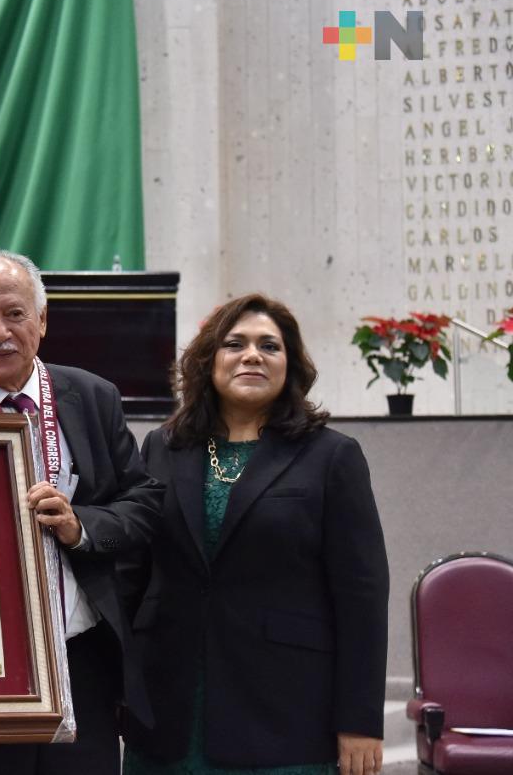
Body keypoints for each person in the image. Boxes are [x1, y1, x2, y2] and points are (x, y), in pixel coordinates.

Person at [0, 249, 164, 775]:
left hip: (81, 661)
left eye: (14, 314)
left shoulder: (93, 396)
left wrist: (81, 526)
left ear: (41, 320)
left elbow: (143, 503)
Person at [121, 294, 390, 775]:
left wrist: (361, 720)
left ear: (290, 366)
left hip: (285, 716)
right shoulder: (163, 447)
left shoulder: (332, 457)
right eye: (235, 343)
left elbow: (362, 598)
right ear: (209, 361)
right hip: (169, 714)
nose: (252, 355)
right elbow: (134, 574)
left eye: (270, 346)